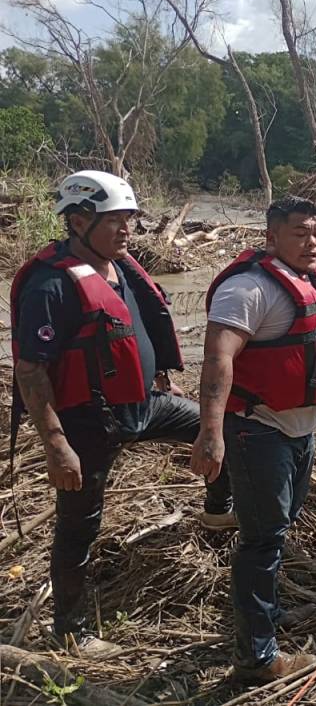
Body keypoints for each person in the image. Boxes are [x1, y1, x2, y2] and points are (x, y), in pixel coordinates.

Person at [11, 170, 234, 659]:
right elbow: (31, 371)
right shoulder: (50, 285)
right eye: (115, 220)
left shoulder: (121, 266)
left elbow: (132, 331)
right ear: (77, 219)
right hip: (87, 421)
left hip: (142, 404)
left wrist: (157, 379)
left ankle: (218, 513)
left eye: (130, 219)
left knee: (216, 431)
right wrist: (56, 445)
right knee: (79, 525)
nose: (127, 229)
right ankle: (71, 630)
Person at [189, 196, 316, 683]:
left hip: (302, 429)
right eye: (299, 233)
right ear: (271, 237)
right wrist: (211, 432)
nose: (312, 242)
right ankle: (256, 657)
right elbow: (217, 360)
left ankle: (264, 616)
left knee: (282, 521)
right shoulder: (247, 289)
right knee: (262, 540)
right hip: (257, 427)